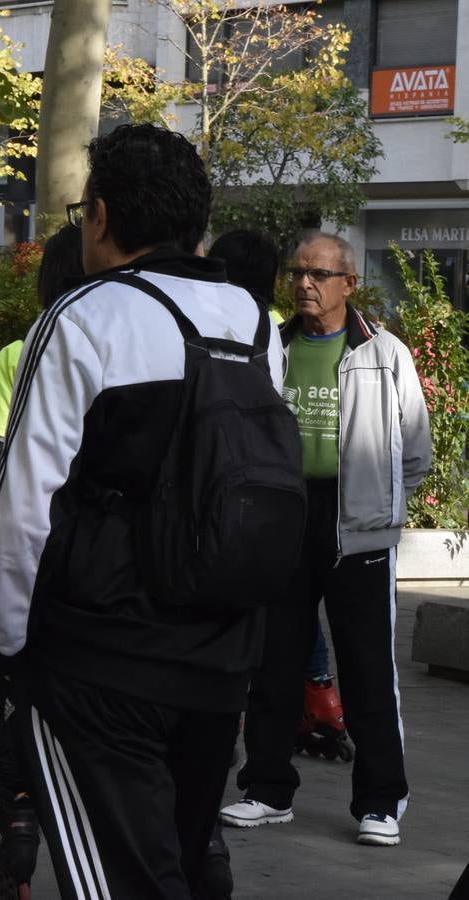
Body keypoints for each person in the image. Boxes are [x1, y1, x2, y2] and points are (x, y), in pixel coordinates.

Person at [0, 123, 288, 898]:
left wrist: (11, 642)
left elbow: (25, 504)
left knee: (117, 881)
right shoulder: (253, 325)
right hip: (221, 653)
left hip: (98, 659)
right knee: (179, 863)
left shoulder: (85, 317)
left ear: (103, 216)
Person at [220, 232, 431, 847]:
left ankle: (381, 801)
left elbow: (412, 448)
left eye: (319, 274)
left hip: (358, 526)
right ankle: (265, 789)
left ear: (349, 283)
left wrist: (379, 505)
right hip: (285, 520)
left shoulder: (385, 353)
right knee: (274, 663)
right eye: (298, 273)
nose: (305, 284)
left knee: (367, 668)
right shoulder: (273, 348)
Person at [0, 224, 83, 894]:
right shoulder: (126, 346)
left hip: (26, 561)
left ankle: (15, 833)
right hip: (98, 571)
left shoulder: (21, 350)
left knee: (16, 705)